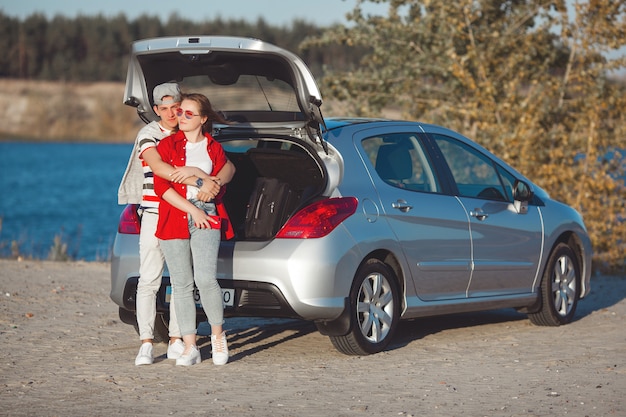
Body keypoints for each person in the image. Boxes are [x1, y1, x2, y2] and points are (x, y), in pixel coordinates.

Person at [118, 83, 217, 366]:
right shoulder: (149, 134)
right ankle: (146, 343)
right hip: (154, 210)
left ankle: (177, 339)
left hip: (183, 213)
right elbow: (159, 169)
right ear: (156, 109)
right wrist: (199, 178)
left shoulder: (190, 132)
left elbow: (221, 162)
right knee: (149, 279)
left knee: (180, 281)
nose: (171, 113)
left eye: (176, 107)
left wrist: (215, 179)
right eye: (164, 108)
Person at [154, 93, 235, 366]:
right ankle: (190, 346)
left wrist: (202, 179)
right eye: (180, 112)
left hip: (209, 215)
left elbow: (222, 177)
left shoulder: (213, 148)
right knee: (181, 283)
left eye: (189, 113)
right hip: (176, 213)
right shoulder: (166, 145)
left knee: (205, 278)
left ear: (203, 119)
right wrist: (196, 194)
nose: (181, 117)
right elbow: (162, 188)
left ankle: (218, 336)